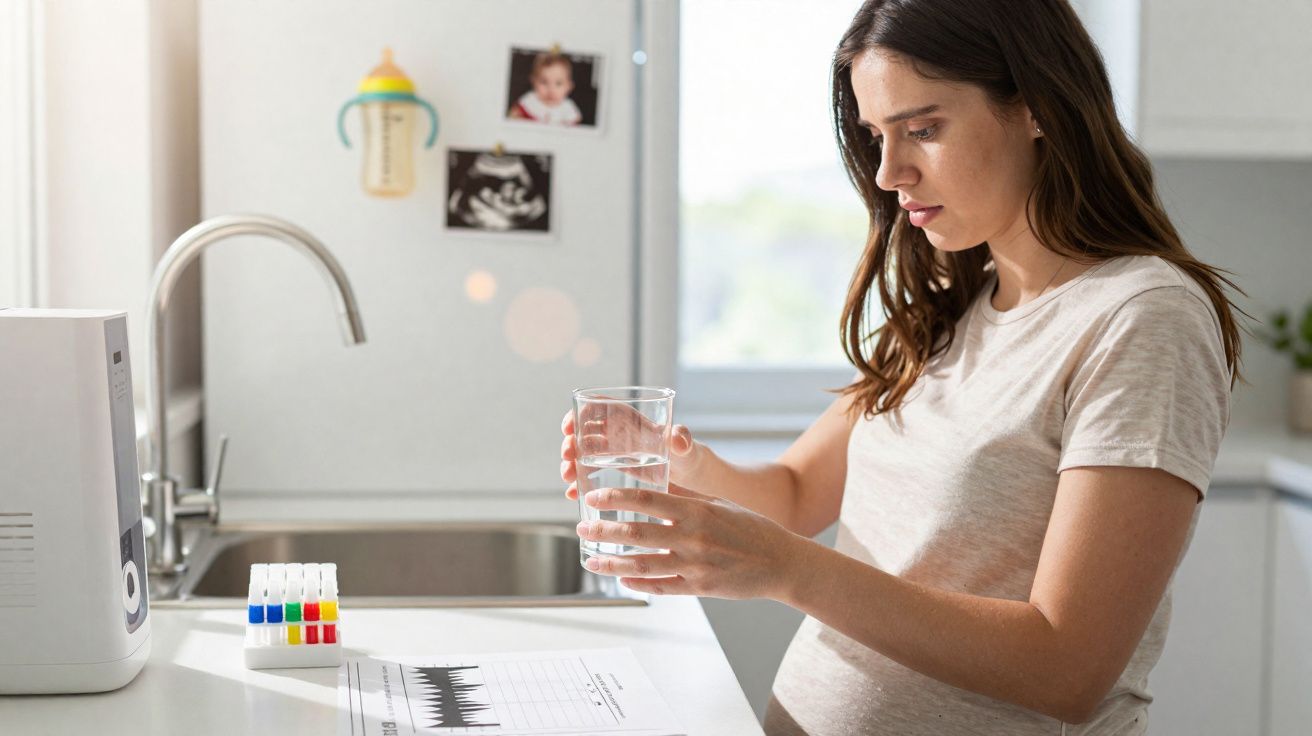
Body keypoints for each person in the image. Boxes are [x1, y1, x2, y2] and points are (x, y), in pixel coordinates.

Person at [559, 0, 1246, 733]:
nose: (890, 172)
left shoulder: (1141, 318)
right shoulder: (953, 307)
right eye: (875, 136)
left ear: (1039, 107)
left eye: (924, 128)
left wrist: (788, 569)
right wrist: (676, 463)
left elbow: (1068, 666)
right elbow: (792, 496)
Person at [508, 51, 583, 126]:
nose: (551, 90)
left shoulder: (567, 107)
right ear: (533, 81)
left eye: (558, 83)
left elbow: (576, 124)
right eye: (544, 82)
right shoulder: (531, 100)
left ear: (569, 86)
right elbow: (513, 114)